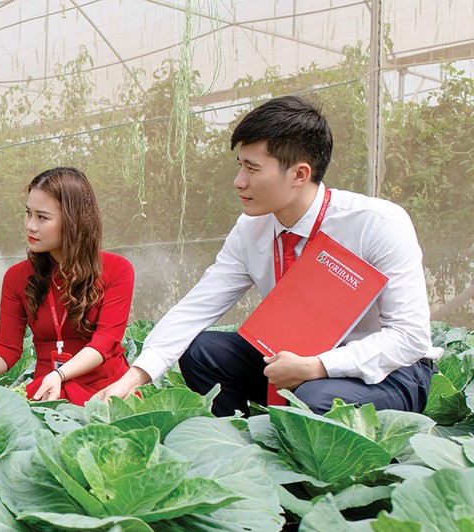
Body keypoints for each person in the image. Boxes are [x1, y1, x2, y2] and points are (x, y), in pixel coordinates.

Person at [95, 95, 439, 415]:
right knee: (201, 352)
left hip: (388, 372)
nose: (239, 181)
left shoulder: (377, 224)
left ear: (299, 174)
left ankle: (303, 431)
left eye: (253, 168)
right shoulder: (251, 229)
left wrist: (318, 366)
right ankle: (242, 440)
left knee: (315, 398)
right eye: (240, 165)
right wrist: (134, 377)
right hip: (289, 360)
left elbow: (409, 338)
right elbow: (196, 307)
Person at [0, 167, 134, 403]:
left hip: (108, 393)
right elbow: (6, 350)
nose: (30, 225)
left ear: (73, 221)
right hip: (47, 393)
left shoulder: (117, 270)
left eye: (42, 217)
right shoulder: (16, 277)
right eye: (28, 213)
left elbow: (104, 344)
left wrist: (60, 374)